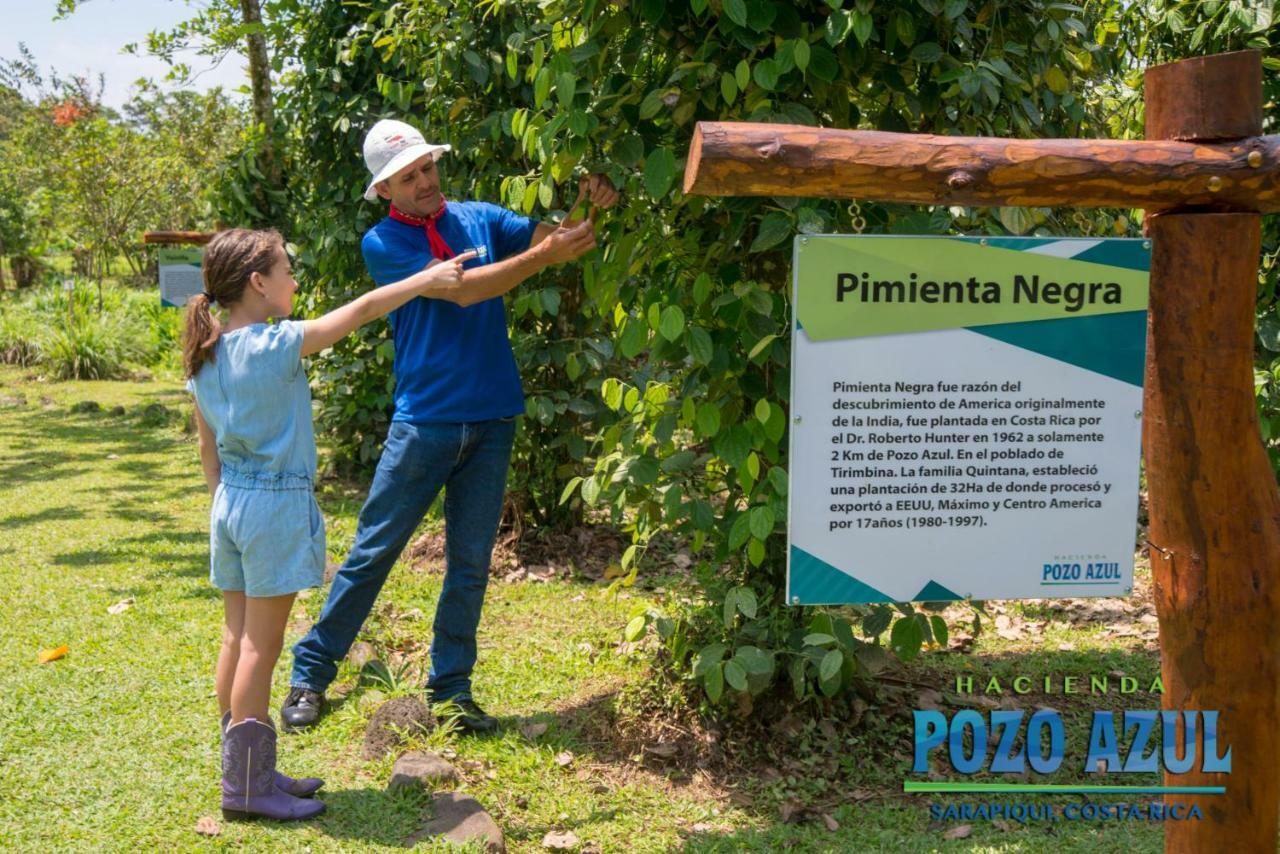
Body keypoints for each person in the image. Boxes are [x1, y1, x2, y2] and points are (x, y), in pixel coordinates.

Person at [282, 118, 618, 733]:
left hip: (493, 416)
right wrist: (544, 255)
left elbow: (560, 236)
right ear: (384, 189)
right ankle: (311, 672)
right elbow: (463, 291)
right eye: (407, 177)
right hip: (426, 422)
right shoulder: (382, 243)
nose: (424, 182)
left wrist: (588, 200)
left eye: (427, 167)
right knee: (372, 553)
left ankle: (452, 692)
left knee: (469, 562)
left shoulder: (481, 216)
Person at [185, 227, 475, 821]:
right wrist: (425, 279)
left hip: (231, 507)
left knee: (236, 641)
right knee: (261, 651)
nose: (294, 279)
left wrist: (229, 508)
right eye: (286, 270)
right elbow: (362, 310)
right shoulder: (273, 345)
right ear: (258, 283)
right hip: (270, 509)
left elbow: (207, 453)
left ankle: (251, 769)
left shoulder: (205, 356)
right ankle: (244, 787)